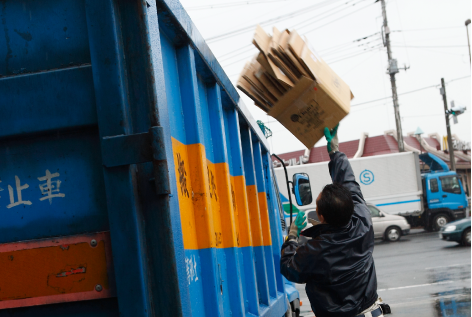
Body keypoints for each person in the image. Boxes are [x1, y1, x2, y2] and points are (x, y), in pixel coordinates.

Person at [280, 125, 384, 317]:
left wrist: (293, 236)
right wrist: (334, 151)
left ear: (322, 217)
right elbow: (349, 182)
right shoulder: (363, 221)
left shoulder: (317, 250)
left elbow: (290, 268)